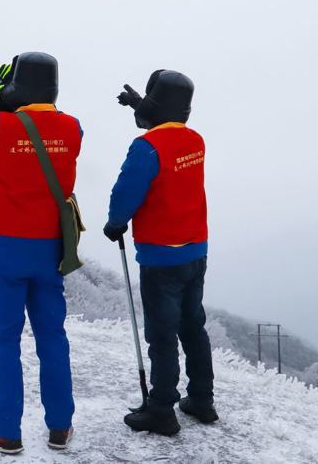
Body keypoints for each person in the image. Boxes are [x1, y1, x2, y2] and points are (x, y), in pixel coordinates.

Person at [0, 52, 83, 455]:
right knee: (52, 337)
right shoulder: (73, 128)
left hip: (7, 249)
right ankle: (60, 426)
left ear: (15, 88)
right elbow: (51, 130)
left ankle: (7, 430)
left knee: (5, 339)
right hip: (51, 250)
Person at [102, 70, 218, 436]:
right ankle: (201, 399)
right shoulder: (195, 141)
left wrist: (115, 223)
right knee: (192, 326)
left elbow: (128, 190)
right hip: (195, 251)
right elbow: (167, 139)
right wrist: (141, 105)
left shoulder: (145, 148)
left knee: (162, 333)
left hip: (160, 256)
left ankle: (161, 409)